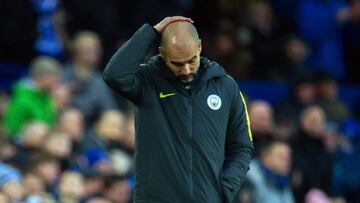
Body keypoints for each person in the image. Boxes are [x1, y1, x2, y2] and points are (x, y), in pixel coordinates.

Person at [103, 16, 254, 203]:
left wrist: (225, 189)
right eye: (177, 64)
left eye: (192, 61)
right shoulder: (147, 81)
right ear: (162, 53)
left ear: (200, 47)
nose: (186, 70)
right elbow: (114, 75)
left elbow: (242, 147)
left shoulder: (226, 86)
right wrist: (152, 32)